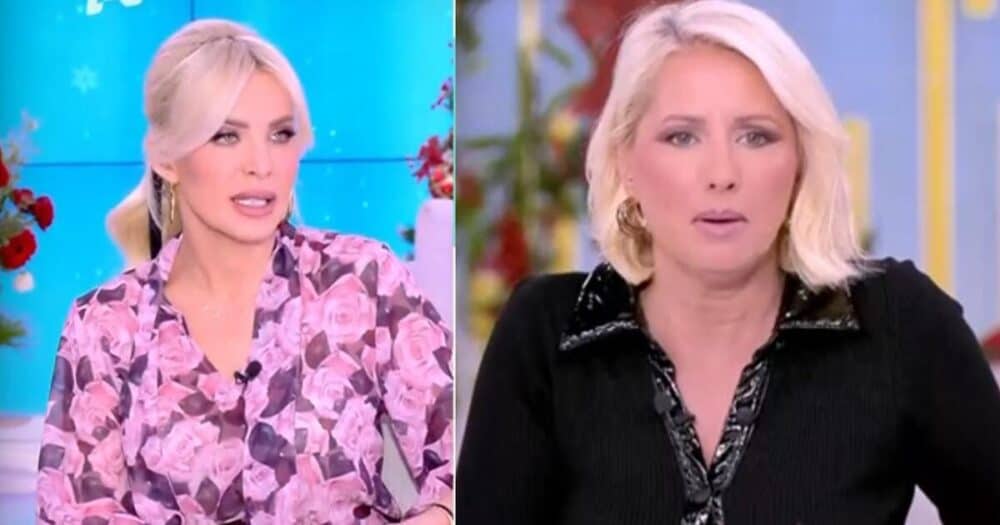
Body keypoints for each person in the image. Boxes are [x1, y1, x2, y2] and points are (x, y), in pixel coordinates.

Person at [457, 1, 1000, 524]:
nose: (722, 174)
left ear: (800, 162)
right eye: (682, 136)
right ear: (625, 163)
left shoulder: (896, 323)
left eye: (756, 136)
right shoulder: (547, 333)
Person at [36, 19, 453, 525]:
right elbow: (76, 511)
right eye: (226, 136)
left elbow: (470, 460)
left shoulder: (365, 280)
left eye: (280, 135)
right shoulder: (104, 326)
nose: (261, 164)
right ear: (167, 159)